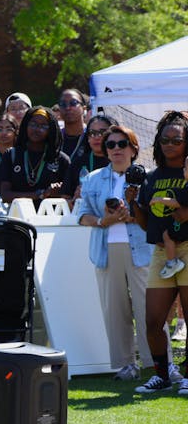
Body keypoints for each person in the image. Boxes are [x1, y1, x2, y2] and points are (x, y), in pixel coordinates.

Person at [74, 125, 152, 381]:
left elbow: (157, 215)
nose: (116, 149)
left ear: (133, 148)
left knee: (149, 308)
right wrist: (102, 221)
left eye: (122, 144)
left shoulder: (148, 177)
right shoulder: (93, 178)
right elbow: (82, 215)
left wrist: (134, 216)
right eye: (111, 145)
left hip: (142, 248)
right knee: (114, 308)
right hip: (106, 249)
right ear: (105, 150)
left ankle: (157, 363)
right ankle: (126, 365)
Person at [131, 111, 188, 395]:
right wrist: (134, 205)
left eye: (176, 140)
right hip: (159, 251)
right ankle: (162, 374)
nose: (169, 144)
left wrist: (171, 203)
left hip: (187, 248)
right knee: (152, 320)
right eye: (164, 139)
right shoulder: (152, 176)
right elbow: (146, 225)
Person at [0, 106, 70, 208]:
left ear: (51, 130)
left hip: (50, 219)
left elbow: (68, 194)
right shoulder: (11, 155)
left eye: (43, 126)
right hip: (17, 218)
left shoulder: (61, 159)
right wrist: (40, 194)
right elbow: (5, 195)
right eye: (33, 124)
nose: (37, 129)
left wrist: (58, 191)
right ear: (25, 125)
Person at [63, 113, 114, 200]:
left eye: (102, 132)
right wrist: (75, 200)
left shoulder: (120, 161)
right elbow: (65, 199)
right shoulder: (77, 163)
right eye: (92, 133)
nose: (97, 137)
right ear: (88, 138)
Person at [58, 88, 88, 158]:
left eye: (73, 103)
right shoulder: (55, 138)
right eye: (63, 104)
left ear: (84, 109)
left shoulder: (92, 137)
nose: (68, 108)